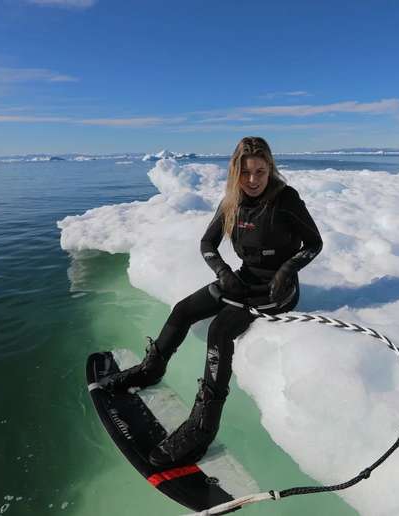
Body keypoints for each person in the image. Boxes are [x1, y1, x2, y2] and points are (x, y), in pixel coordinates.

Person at [99, 136, 323, 467]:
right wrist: (222, 271)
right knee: (183, 310)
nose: (253, 180)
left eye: (260, 172)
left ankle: (203, 426)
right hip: (243, 278)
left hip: (277, 291)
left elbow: (314, 243)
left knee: (220, 331)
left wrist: (287, 270)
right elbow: (207, 242)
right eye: (245, 173)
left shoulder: (285, 199)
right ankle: (151, 369)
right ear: (235, 172)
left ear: (270, 169)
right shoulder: (232, 201)